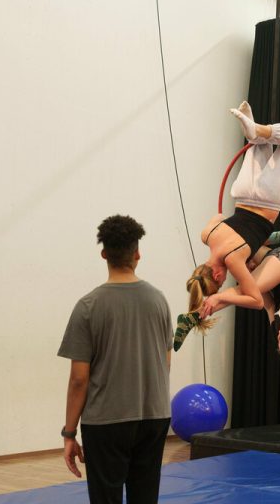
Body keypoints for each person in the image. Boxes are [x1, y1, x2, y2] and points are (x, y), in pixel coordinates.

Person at [58, 215, 173, 504]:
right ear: (137, 254)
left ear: (104, 254)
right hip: (154, 415)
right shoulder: (159, 300)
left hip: (106, 421)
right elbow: (165, 362)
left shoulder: (88, 306)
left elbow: (79, 379)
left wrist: (69, 432)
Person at [186, 101, 280, 321]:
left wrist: (220, 297)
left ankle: (258, 129)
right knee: (259, 142)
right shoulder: (207, 235)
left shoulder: (233, 260)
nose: (225, 279)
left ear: (216, 274)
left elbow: (257, 301)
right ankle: (254, 130)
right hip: (242, 193)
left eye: (221, 282)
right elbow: (219, 216)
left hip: (269, 198)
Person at [178, 223, 280, 390]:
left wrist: (250, 273)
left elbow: (268, 304)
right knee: (243, 290)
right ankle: (198, 313)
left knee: (239, 245)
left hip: (271, 268)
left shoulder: (278, 331)